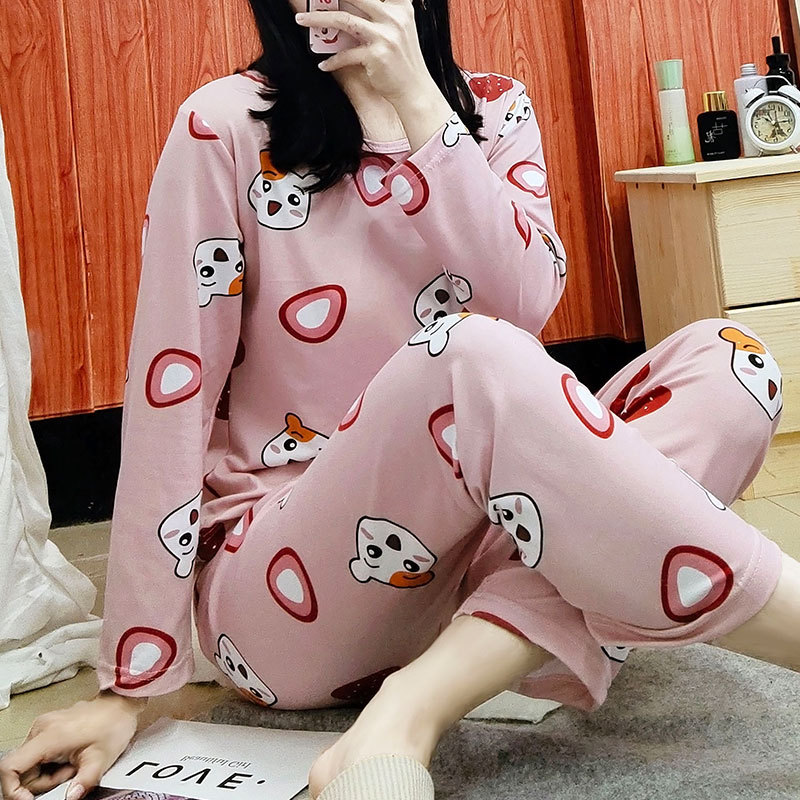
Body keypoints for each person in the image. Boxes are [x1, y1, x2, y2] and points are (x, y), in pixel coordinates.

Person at [2, 0, 799, 798]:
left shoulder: (495, 109)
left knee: (728, 363)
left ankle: (411, 710)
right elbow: (170, 398)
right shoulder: (224, 124)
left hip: (483, 550)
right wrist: (130, 688)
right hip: (293, 590)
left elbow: (525, 301)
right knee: (469, 353)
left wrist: (418, 100)